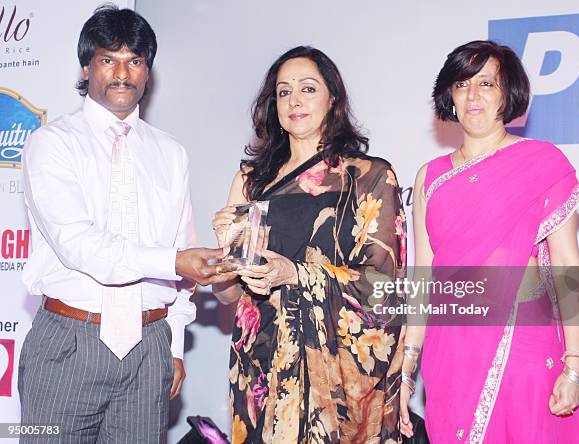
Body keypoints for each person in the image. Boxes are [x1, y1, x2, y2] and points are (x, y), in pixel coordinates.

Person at [18, 5, 235, 443]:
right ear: (86, 67)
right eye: (108, 59)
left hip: (149, 345)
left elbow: (181, 253)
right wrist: (175, 261)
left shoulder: (170, 153)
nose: (122, 73)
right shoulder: (50, 144)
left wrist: (172, 347)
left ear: (147, 73)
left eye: (134, 61)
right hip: (67, 343)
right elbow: (80, 246)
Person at [212, 46, 407, 443]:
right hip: (260, 361)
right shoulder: (251, 181)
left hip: (335, 371)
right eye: (284, 92)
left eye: (307, 89)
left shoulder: (368, 176)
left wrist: (294, 273)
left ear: (332, 98)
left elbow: (383, 286)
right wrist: (227, 256)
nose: (294, 101)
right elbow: (230, 294)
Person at [400, 40, 579, 443]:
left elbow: (568, 267)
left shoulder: (542, 163)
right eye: (462, 84)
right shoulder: (429, 177)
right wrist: (407, 363)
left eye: (486, 83)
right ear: (449, 95)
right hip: (449, 354)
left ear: (508, 93)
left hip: (523, 347)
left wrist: (574, 365)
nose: (473, 95)